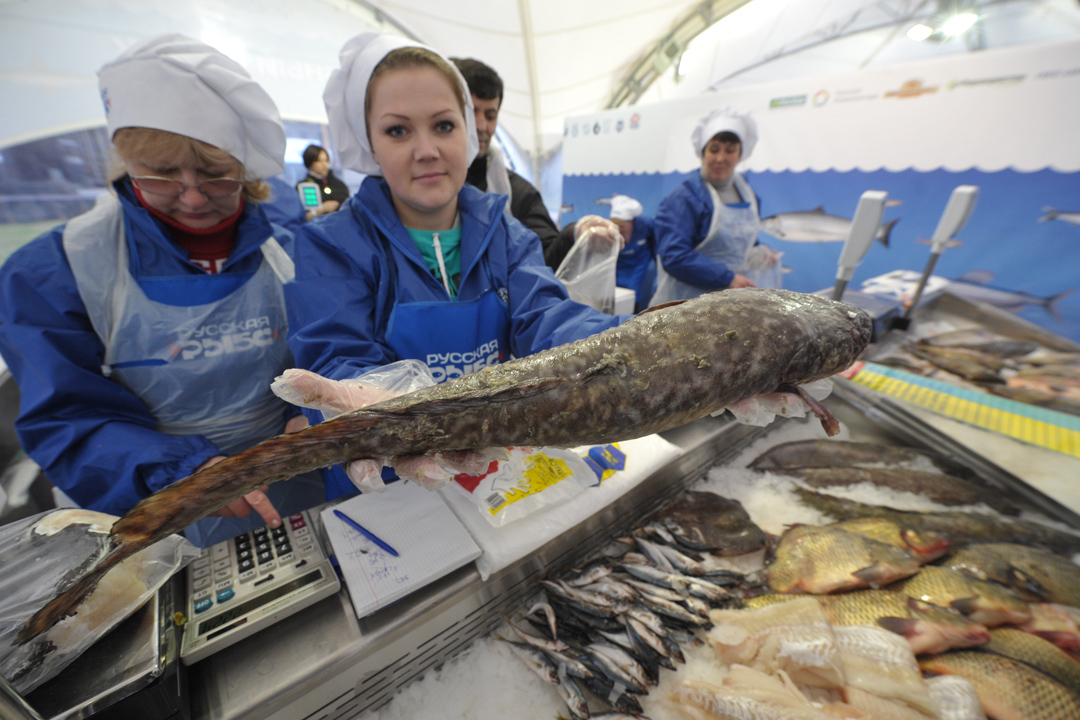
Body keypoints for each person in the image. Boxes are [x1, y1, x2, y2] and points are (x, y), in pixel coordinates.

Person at [0, 35, 324, 547]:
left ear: (246, 168)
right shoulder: (58, 271)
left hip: (295, 482)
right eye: (164, 174)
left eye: (217, 176)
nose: (192, 197)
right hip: (153, 510)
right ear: (127, 161)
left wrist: (311, 414)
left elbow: (331, 351)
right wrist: (183, 470)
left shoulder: (292, 245)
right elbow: (69, 419)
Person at [283, 33, 627, 500]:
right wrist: (380, 405)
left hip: (488, 462)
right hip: (387, 472)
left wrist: (643, 345)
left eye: (443, 126)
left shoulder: (505, 233)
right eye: (398, 130)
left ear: (469, 131)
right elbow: (337, 355)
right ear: (369, 142)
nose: (426, 150)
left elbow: (549, 319)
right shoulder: (332, 245)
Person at [449, 57, 568, 270]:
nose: (481, 126)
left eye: (490, 115)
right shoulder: (424, 186)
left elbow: (546, 258)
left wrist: (574, 235)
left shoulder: (518, 194)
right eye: (471, 112)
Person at [650, 107, 778, 306]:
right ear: (703, 152)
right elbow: (673, 256)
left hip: (725, 303)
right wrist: (726, 278)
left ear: (740, 155)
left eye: (730, 150)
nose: (720, 158)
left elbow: (743, 244)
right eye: (714, 149)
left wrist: (760, 256)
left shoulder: (749, 195)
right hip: (683, 304)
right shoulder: (684, 198)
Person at [609, 195, 657, 312]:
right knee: (615, 295)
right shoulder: (608, 229)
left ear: (631, 222)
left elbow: (657, 241)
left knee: (633, 293)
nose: (618, 229)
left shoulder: (646, 225)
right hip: (618, 266)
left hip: (638, 263)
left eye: (622, 226)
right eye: (616, 226)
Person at [297, 144, 351, 219]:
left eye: (326, 160)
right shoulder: (302, 187)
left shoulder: (339, 185)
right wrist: (322, 208)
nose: (324, 164)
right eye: (319, 161)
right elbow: (300, 217)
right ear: (310, 162)